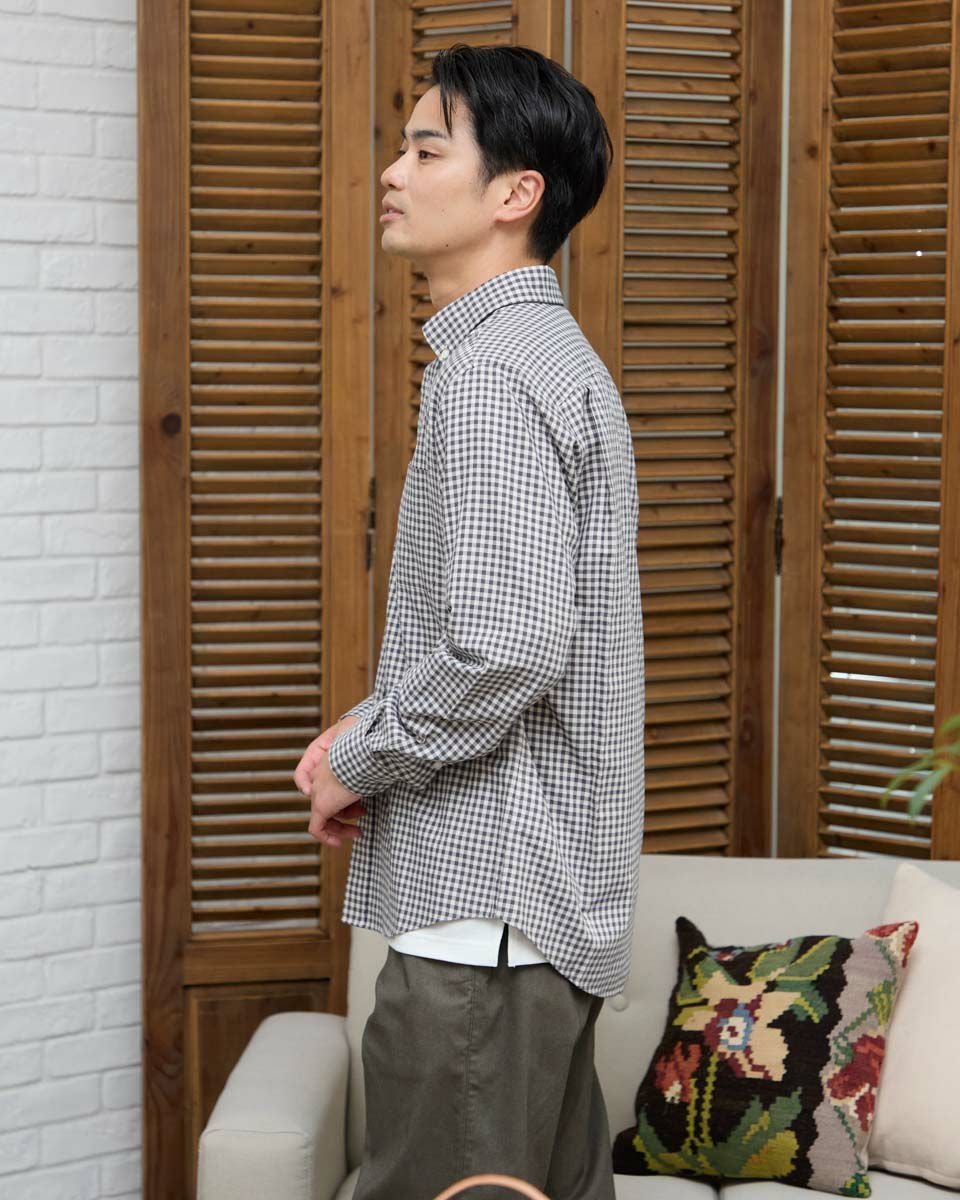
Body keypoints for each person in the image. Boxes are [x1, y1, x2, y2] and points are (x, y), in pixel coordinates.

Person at [293, 42, 644, 1200]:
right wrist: (370, 731)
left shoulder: (493, 376)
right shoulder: (552, 358)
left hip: (483, 936)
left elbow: (508, 644)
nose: (393, 173)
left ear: (515, 194)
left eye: (426, 149)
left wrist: (361, 758)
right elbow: (514, 626)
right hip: (527, 925)